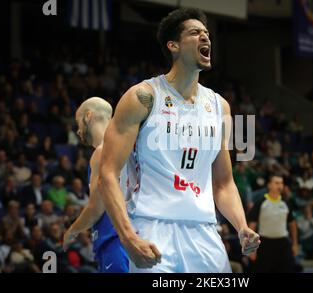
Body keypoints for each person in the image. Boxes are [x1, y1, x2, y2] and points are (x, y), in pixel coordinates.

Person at [98, 8, 260, 273]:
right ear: (173, 46)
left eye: (207, 33)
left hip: (205, 233)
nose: (205, 37)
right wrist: (128, 238)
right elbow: (107, 173)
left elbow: (223, 182)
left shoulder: (220, 107)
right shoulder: (142, 97)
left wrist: (241, 226)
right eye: (195, 33)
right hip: (152, 229)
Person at [63, 97, 129, 273]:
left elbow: (96, 208)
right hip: (130, 239)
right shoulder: (127, 146)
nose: (78, 131)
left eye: (78, 123)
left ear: (88, 116)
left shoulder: (102, 151)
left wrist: (72, 231)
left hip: (114, 240)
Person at [248, 175, 298, 273]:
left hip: (283, 244)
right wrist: (251, 248)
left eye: (281, 183)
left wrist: (295, 243)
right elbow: (252, 226)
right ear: (269, 185)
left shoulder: (286, 203)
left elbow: (292, 224)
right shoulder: (260, 202)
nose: (280, 186)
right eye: (276, 183)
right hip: (264, 244)